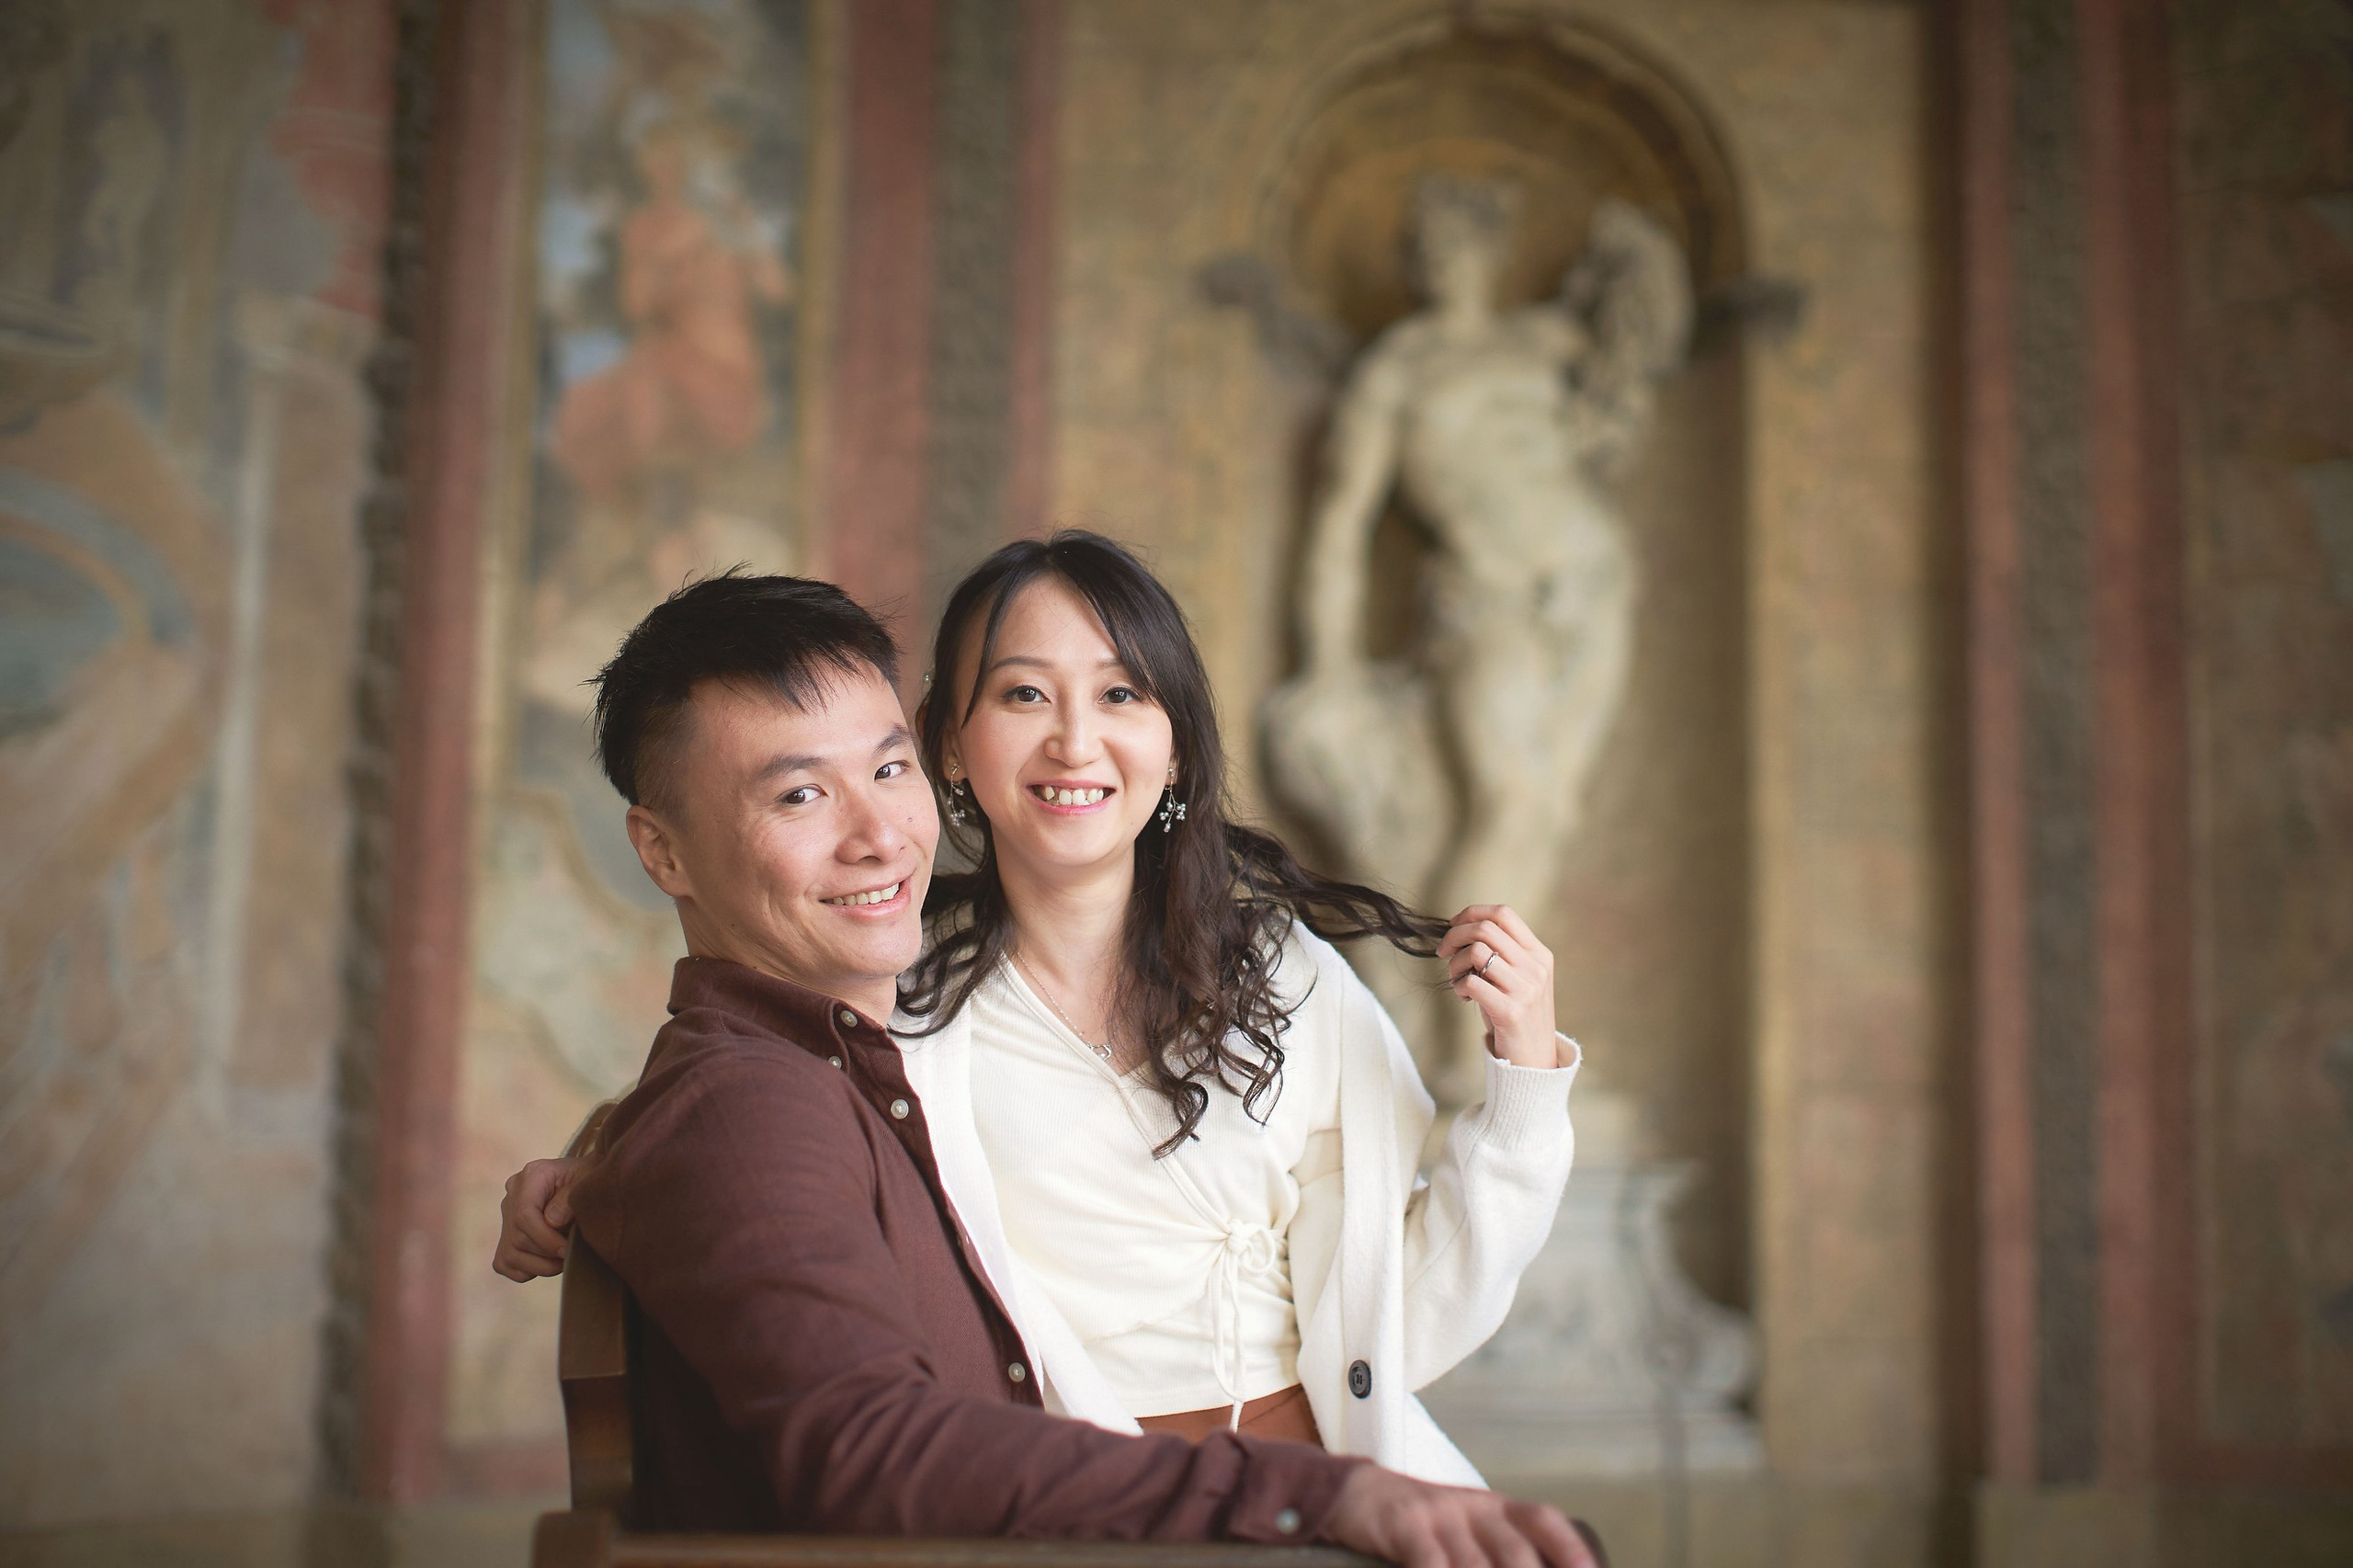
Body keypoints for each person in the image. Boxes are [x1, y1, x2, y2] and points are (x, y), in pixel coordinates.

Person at [518, 569, 1598, 1565]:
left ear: (1175, 744)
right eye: (1024, 694)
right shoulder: (903, 998)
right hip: (1113, 1506)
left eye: (1122, 693)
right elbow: (748, 1128)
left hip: (1326, 1473)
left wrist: (1524, 1086)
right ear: (960, 744)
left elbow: (1395, 1297)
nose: (1075, 741)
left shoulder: (1284, 972)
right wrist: (610, 1158)